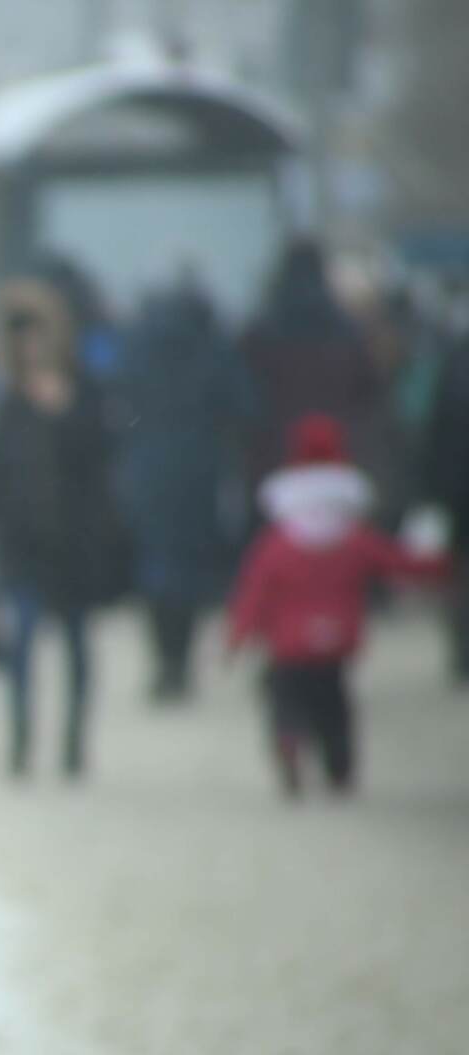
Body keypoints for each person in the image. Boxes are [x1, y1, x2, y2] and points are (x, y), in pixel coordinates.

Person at [226, 415, 451, 796]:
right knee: (335, 710)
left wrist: (238, 634)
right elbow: (398, 562)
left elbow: (254, 590)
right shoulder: (354, 538)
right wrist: (444, 565)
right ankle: (339, 769)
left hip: (288, 646)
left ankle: (288, 735)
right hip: (336, 642)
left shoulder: (277, 544)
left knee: (285, 699)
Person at [0, 277, 128, 778]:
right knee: (20, 641)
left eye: (36, 335)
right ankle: (21, 740)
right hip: (22, 543)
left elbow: (107, 456)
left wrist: (66, 413)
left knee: (77, 644)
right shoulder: (6, 400)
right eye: (19, 337)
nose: (29, 347)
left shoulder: (85, 391)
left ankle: (74, 741)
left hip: (76, 542)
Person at [113, 282, 256, 702]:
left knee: (154, 565)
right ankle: (181, 661)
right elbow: (245, 404)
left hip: (147, 469)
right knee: (188, 567)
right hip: (199, 469)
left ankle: (163, 661)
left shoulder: (137, 348)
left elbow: (118, 402)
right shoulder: (212, 349)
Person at [239, 239, 381, 534]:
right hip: (336, 448)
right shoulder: (347, 331)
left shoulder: (258, 332)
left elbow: (245, 397)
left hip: (276, 453)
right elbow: (370, 393)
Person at [422, 327, 469, 682]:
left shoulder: (453, 366)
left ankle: (463, 650)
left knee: (460, 573)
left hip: (457, 489)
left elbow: (434, 433)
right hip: (457, 486)